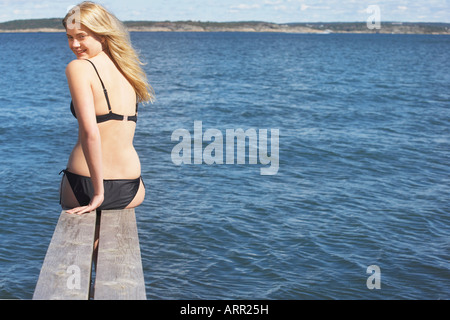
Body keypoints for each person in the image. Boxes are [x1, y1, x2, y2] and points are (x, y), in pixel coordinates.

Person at [59, 1, 154, 215]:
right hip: (132, 186)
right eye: (69, 37)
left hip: (87, 184)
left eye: (82, 36)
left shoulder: (78, 68)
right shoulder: (127, 69)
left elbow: (90, 133)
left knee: (80, 246)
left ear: (101, 34)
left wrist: (99, 193)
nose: (74, 44)